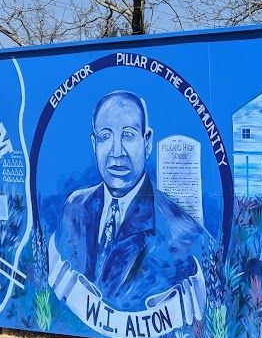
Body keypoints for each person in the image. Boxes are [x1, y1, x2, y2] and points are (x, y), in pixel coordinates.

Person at [54, 90, 208, 312]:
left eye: (128, 135)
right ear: (93, 143)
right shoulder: (74, 208)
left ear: (147, 142)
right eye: (105, 136)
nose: (117, 152)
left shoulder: (179, 230)